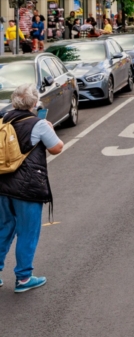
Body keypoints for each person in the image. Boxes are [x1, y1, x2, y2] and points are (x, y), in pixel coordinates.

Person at [0, 84, 65, 293]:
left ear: (14, 101)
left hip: (2, 184)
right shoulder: (39, 124)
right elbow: (56, 148)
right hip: (27, 188)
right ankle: (24, 278)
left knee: (3, 229)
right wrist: (49, 129)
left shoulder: (3, 120)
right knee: (28, 232)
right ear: (35, 103)